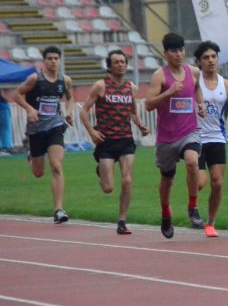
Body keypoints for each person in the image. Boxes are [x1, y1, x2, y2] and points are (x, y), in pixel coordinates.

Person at [79, 49, 148, 234]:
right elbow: (83, 111)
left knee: (127, 180)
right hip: (106, 142)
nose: (120, 65)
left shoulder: (131, 87)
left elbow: (133, 111)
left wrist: (140, 125)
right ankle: (101, 171)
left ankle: (122, 221)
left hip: (125, 140)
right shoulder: (100, 86)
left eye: (123, 61)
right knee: (108, 188)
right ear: (109, 66)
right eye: (116, 62)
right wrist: (91, 131)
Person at [145, 33, 206, 238]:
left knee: (192, 162)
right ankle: (165, 212)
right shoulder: (159, 76)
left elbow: (197, 89)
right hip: (167, 138)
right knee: (167, 179)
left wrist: (201, 103)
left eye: (181, 50)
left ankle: (193, 206)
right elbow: (148, 104)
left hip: (190, 131)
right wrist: (169, 92)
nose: (179, 54)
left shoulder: (194, 72)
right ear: (166, 54)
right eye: (174, 51)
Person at [13, 46, 74, 224]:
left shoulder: (65, 80)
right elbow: (17, 95)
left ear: (60, 60)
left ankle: (59, 210)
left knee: (56, 165)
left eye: (56, 58)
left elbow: (70, 98)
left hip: (55, 126)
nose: (53, 61)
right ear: (44, 60)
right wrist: (30, 109)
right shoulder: (35, 79)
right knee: (38, 172)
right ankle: (31, 155)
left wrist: (69, 112)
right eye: (50, 58)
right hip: (36, 129)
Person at [194, 41, 228, 238]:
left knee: (217, 183)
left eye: (213, 57)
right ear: (199, 62)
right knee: (200, 182)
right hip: (196, 137)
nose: (210, 61)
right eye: (206, 58)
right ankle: (193, 208)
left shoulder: (226, 85)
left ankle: (210, 222)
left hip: (217, 137)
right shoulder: (194, 82)